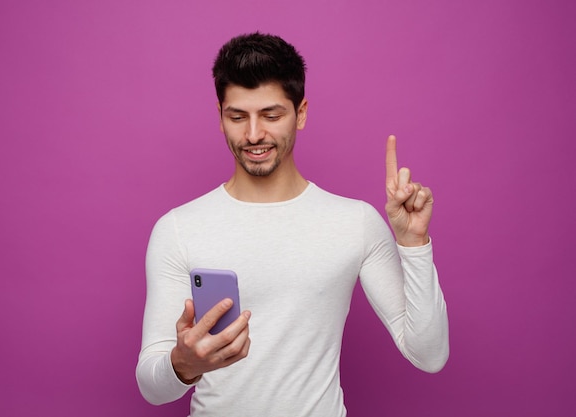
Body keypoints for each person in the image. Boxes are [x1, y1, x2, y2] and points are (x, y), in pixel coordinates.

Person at [136, 32, 449, 417]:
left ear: (300, 113)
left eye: (271, 115)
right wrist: (183, 365)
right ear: (220, 116)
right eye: (238, 117)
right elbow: (151, 385)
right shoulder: (178, 228)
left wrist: (414, 244)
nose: (253, 135)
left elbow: (429, 354)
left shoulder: (355, 223)